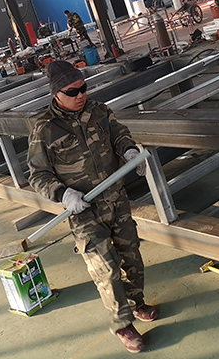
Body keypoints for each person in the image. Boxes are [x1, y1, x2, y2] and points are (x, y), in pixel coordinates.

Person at [27, 60, 157, 354]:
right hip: (84, 211)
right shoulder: (44, 129)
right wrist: (63, 194)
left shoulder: (99, 111)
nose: (81, 95)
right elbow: (38, 175)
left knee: (132, 255)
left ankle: (136, 303)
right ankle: (122, 324)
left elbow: (119, 134)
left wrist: (129, 151)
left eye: (83, 88)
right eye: (73, 92)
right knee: (105, 269)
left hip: (116, 200)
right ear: (56, 94)